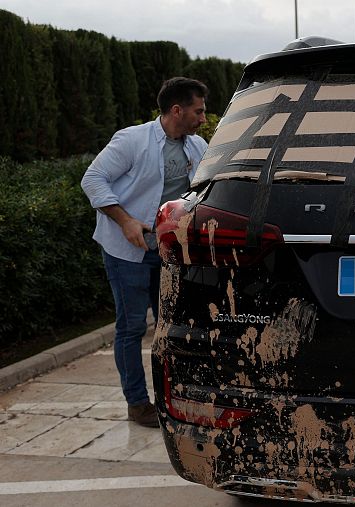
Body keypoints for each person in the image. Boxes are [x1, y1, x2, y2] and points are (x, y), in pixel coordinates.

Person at [81, 77, 208, 427]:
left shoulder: (197, 146)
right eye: (198, 110)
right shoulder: (132, 140)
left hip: (169, 252)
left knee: (170, 328)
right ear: (176, 110)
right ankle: (137, 403)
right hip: (127, 251)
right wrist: (126, 221)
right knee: (132, 327)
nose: (203, 117)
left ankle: (173, 398)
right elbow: (92, 179)